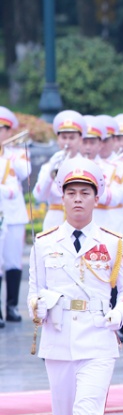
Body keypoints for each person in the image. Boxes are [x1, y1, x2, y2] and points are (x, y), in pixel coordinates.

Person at [27, 157, 123, 415]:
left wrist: (119, 314)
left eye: (85, 193)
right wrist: (39, 304)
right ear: (61, 197)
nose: (77, 199)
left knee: (87, 407)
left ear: (96, 197)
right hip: (58, 337)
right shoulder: (44, 243)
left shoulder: (113, 242)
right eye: (71, 192)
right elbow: (33, 291)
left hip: (97, 334)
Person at [0, 106, 31, 323]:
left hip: (14, 214)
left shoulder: (17, 154)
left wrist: (6, 154)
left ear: (9, 132)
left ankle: (11, 306)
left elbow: (25, 172)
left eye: (3, 129)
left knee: (13, 261)